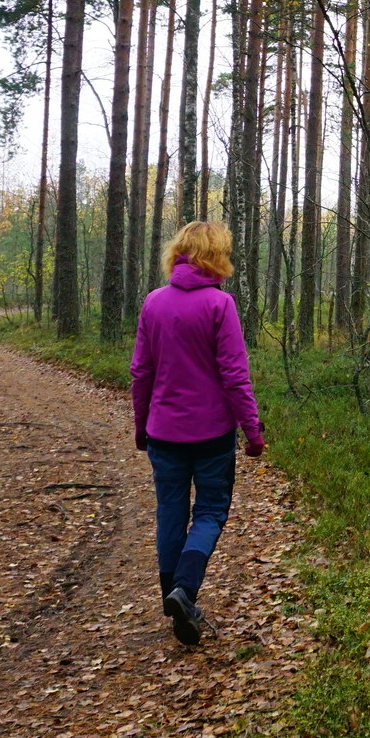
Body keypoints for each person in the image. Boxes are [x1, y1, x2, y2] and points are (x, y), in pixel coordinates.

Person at [130, 220, 267, 646]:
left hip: (164, 434)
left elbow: (141, 372)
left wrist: (141, 426)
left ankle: (173, 599)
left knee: (170, 511)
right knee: (209, 511)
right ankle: (184, 591)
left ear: (179, 252)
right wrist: (252, 430)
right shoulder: (219, 304)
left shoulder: (154, 303)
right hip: (211, 435)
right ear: (216, 255)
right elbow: (235, 375)